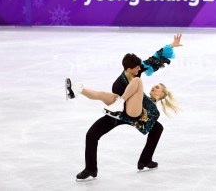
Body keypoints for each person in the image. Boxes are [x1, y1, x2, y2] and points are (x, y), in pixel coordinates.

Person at [67, 33, 182, 180]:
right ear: (129, 69)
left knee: (157, 127)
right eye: (136, 69)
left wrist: (172, 45)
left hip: (135, 113)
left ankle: (145, 160)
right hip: (120, 112)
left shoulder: (137, 73)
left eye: (158, 87)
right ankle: (90, 169)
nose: (139, 70)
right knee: (91, 134)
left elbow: (154, 59)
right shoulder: (119, 84)